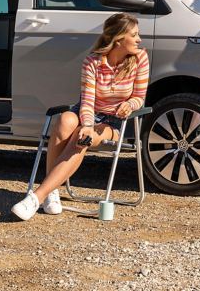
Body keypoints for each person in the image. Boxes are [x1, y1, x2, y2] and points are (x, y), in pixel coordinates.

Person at [11, 13, 150, 221]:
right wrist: (87, 123)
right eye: (134, 35)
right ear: (119, 39)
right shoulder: (92, 62)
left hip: (112, 122)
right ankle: (53, 192)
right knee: (65, 120)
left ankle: (37, 197)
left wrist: (129, 105)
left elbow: (139, 97)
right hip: (87, 113)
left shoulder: (140, 59)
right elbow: (87, 101)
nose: (139, 39)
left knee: (80, 137)